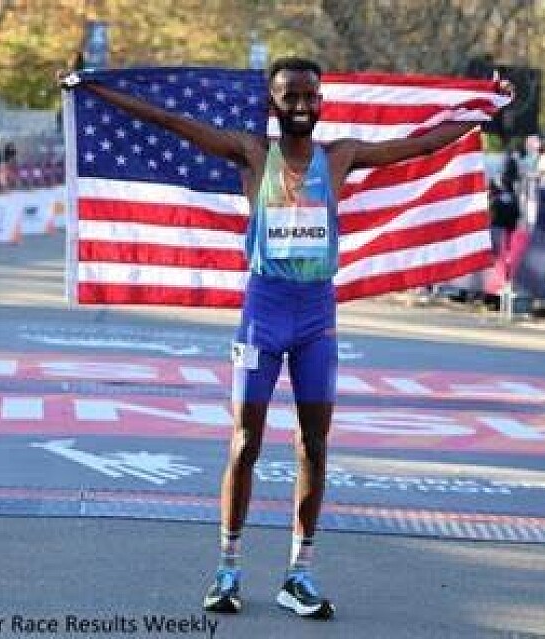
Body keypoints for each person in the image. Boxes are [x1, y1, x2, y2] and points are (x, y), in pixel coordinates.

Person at [59, 58, 511, 620]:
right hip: (264, 313)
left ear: (321, 102)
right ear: (272, 103)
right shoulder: (253, 153)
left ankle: (299, 574)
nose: (300, 105)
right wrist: (95, 88)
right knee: (245, 442)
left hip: (316, 315)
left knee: (313, 445)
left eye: (308, 96)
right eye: (289, 96)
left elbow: (421, 145)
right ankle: (227, 568)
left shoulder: (339, 156)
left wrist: (488, 107)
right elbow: (171, 122)